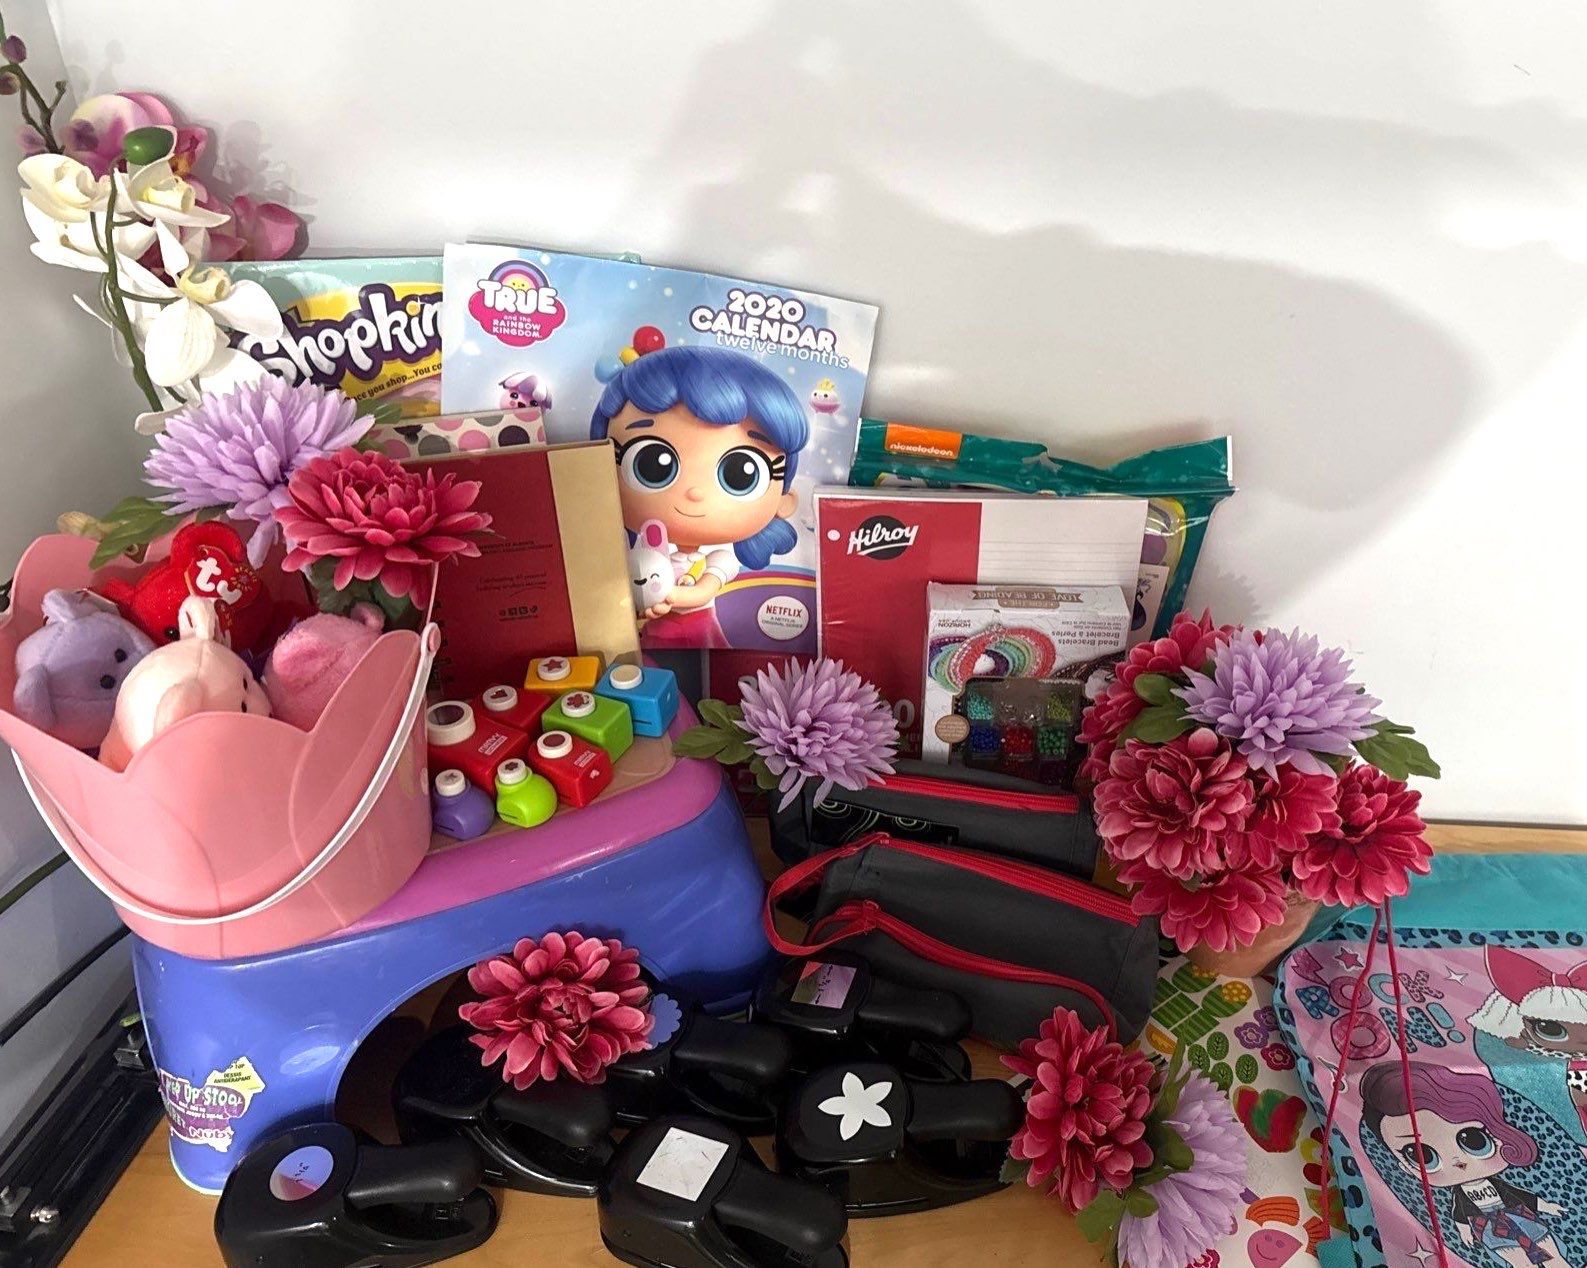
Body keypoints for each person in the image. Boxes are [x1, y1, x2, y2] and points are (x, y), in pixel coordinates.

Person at [591, 344, 808, 647]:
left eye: (740, 475)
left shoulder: (720, 559)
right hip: (649, 638)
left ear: (784, 500)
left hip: (701, 638)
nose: (694, 493)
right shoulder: (644, 553)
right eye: (651, 464)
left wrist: (668, 595)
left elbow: (703, 591)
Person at [1360, 1061, 1573, 1267]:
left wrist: (1546, 1207)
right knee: (1519, 1262)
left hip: (1519, 1217)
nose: (1458, 1162)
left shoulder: (1498, 1185)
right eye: (1422, 1156)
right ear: (1405, 1167)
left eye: (1474, 1140)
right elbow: (1459, 1214)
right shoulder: (1460, 1196)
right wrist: (1465, 1232)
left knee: (1552, 1253)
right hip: (1489, 1228)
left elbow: (1520, 1195)